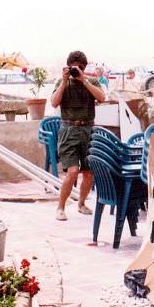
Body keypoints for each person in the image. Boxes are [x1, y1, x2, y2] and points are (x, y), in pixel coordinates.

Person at [50, 50, 106, 221]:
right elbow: (53, 103)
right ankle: (60, 207)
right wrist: (64, 81)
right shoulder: (62, 82)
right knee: (73, 171)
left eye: (80, 67)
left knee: (88, 173)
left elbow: (102, 98)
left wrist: (84, 80)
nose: (77, 70)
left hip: (88, 130)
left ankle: (81, 204)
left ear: (84, 67)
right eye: (74, 67)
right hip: (69, 130)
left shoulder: (92, 81)